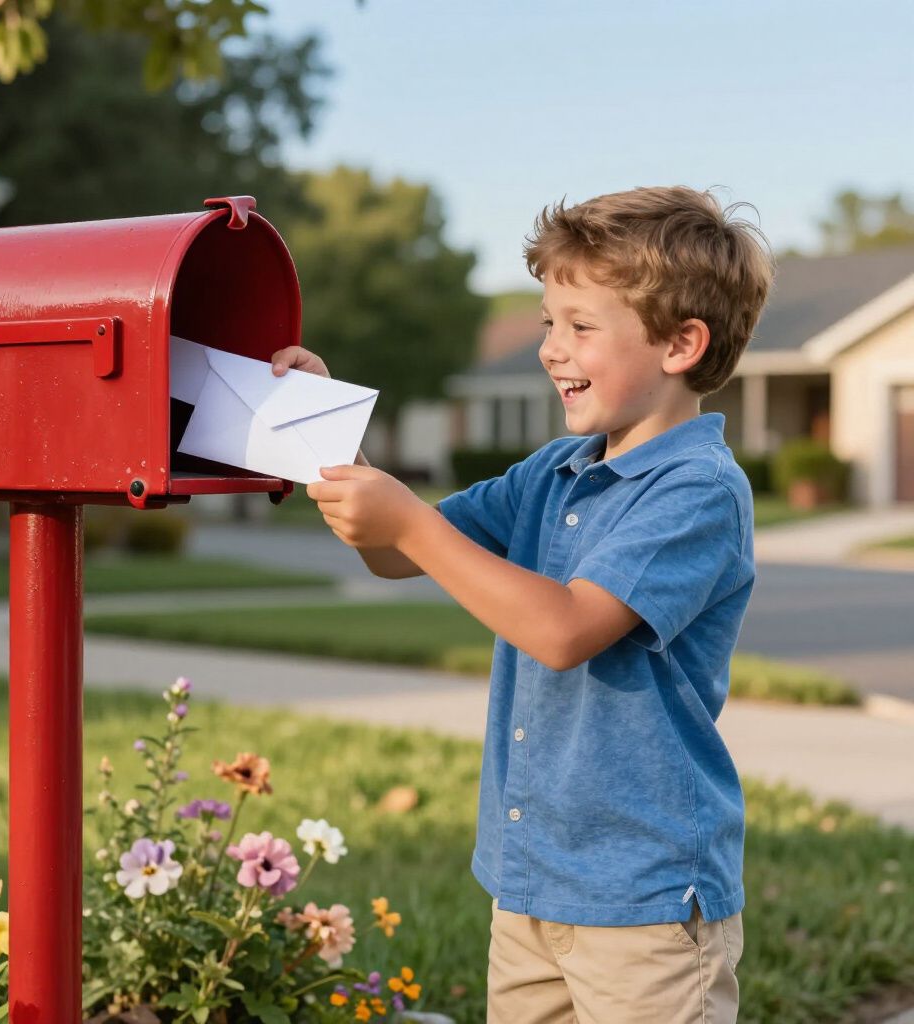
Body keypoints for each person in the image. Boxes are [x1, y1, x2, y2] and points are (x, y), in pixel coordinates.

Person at [271, 184, 776, 1023]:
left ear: (683, 343)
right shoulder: (555, 470)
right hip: (529, 880)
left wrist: (407, 519)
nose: (551, 348)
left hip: (644, 902)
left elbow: (566, 628)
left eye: (581, 326)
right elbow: (399, 552)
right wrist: (328, 438)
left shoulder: (696, 491)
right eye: (548, 321)